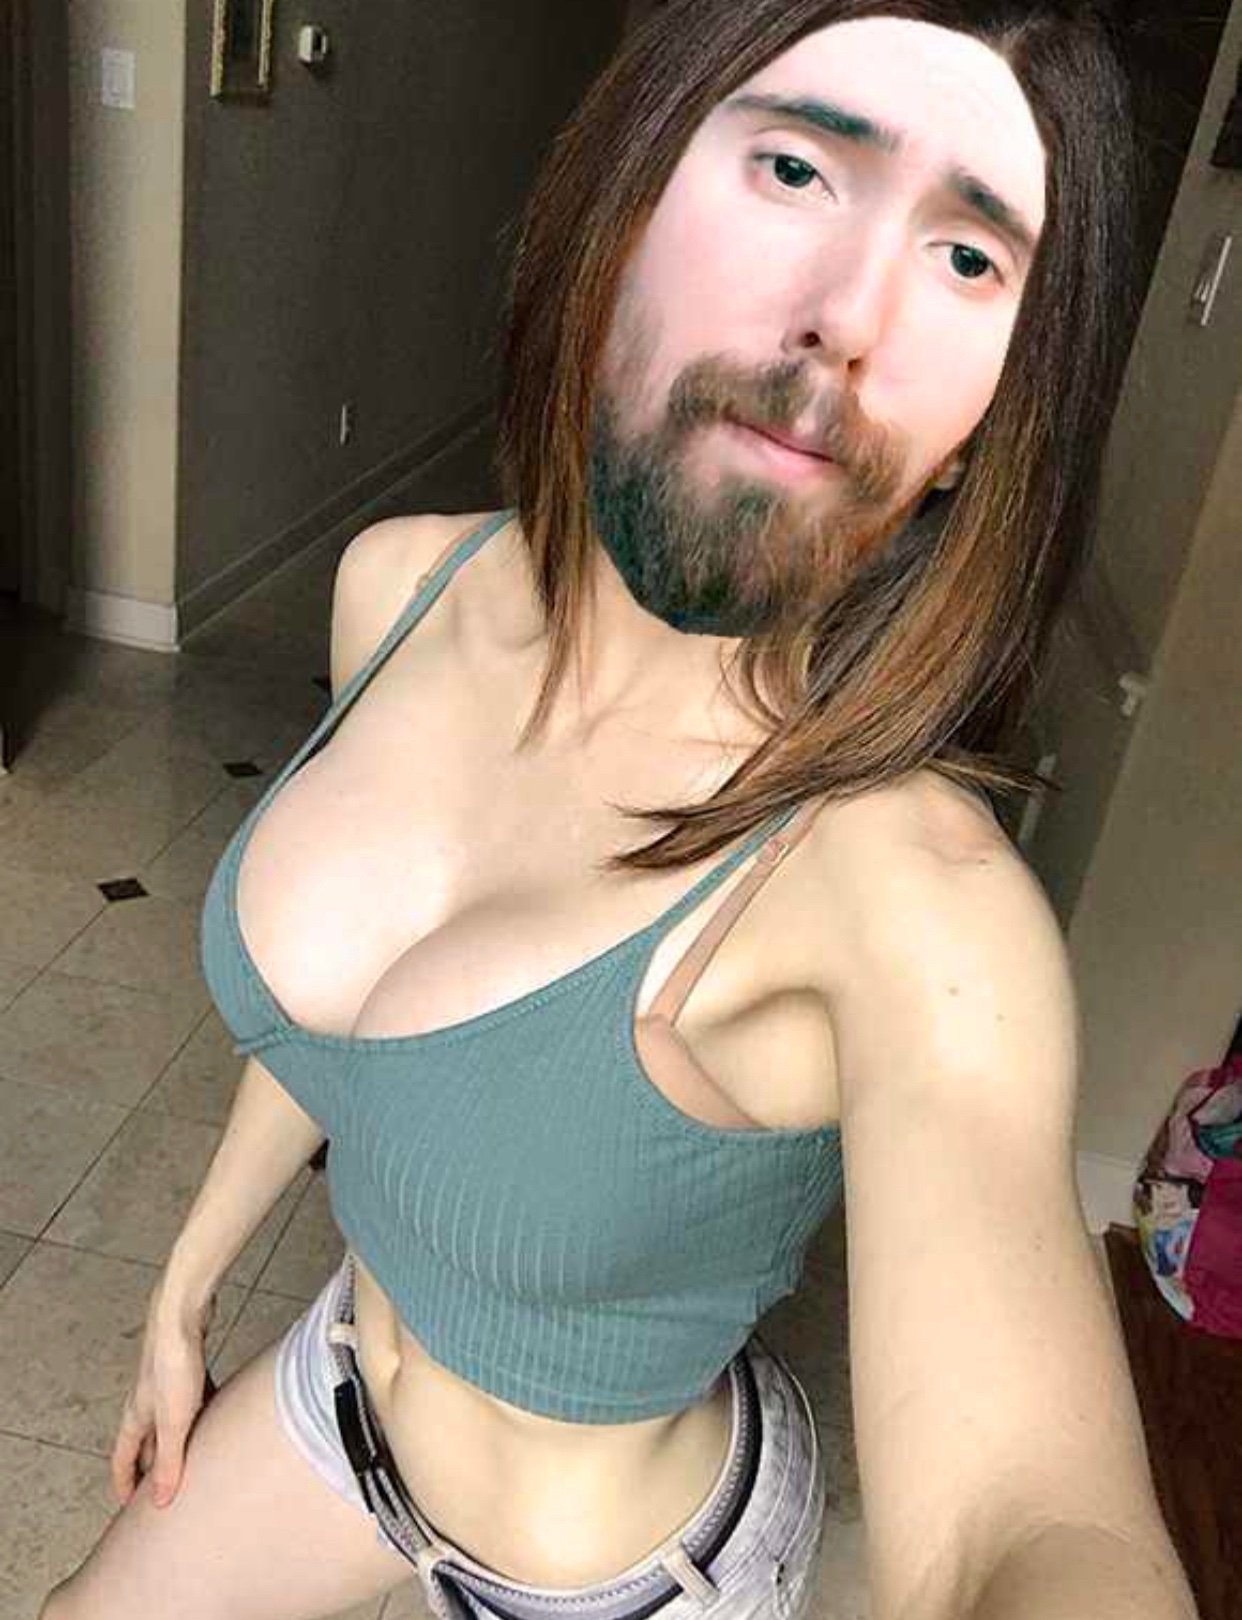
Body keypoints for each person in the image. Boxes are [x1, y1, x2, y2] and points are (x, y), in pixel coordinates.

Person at [41, 2, 1199, 1618]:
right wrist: (185, 1285)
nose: (846, 317)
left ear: (975, 433)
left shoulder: (910, 893)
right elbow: (339, 1020)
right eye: (794, 168)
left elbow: (1025, 1511)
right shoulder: (400, 589)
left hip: (617, 1578)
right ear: (625, 208)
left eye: (963, 259)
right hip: (343, 1399)